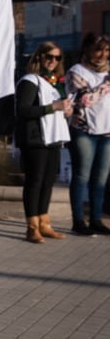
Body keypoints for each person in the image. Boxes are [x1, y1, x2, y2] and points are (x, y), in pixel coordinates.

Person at [15, 41, 72, 242]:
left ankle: (44, 223)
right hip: (35, 138)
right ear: (39, 57)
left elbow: (56, 108)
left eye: (57, 58)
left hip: (53, 137)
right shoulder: (30, 80)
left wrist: (65, 110)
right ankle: (32, 227)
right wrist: (52, 107)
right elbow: (22, 110)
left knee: (48, 182)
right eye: (49, 57)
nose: (53, 61)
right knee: (35, 181)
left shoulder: (55, 82)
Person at [65, 34, 110, 235]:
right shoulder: (76, 71)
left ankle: (96, 219)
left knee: (100, 179)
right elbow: (85, 101)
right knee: (82, 176)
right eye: (98, 49)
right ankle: (78, 220)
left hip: (107, 131)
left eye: (107, 50)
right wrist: (106, 85)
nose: (102, 55)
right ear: (87, 50)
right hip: (84, 130)